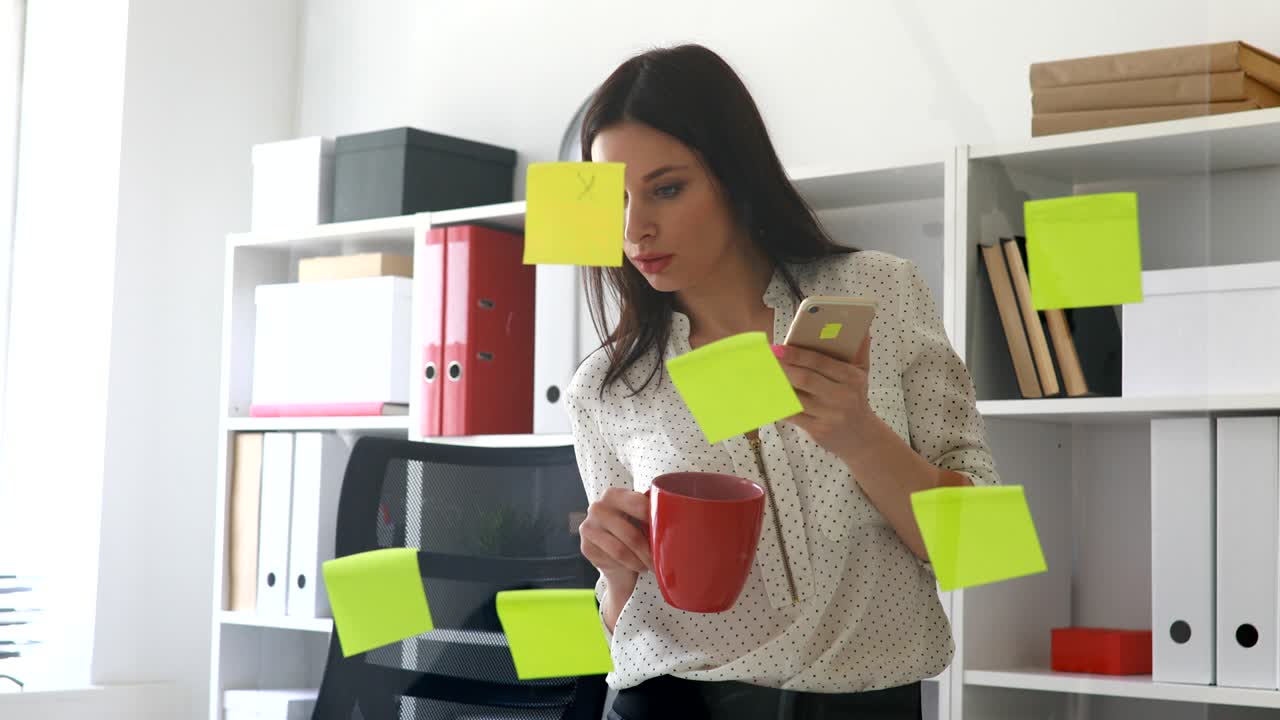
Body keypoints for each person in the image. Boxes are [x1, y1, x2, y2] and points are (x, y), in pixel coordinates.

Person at [565, 44, 998, 720]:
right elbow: (626, 632)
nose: (634, 229)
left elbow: (982, 550)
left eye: (666, 188)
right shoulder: (605, 387)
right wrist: (616, 572)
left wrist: (860, 436)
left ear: (735, 175)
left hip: (865, 704)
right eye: (615, 198)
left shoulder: (880, 292)